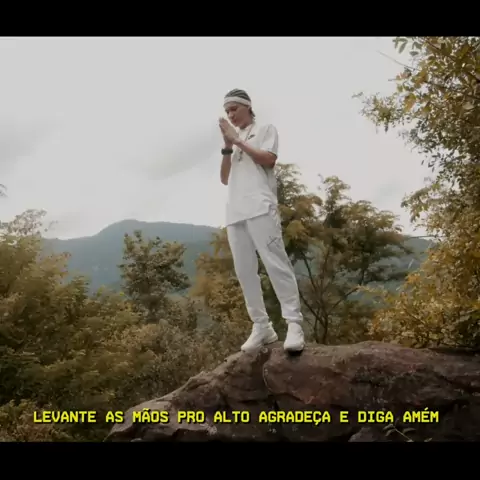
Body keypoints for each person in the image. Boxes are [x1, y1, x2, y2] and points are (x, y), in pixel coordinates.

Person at [218, 88, 305, 353]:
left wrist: (238, 141)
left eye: (234, 109)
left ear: (247, 106)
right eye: (227, 111)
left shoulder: (265, 129)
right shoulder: (233, 142)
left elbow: (268, 160)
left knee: (275, 264)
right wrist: (228, 145)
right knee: (245, 271)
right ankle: (262, 326)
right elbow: (224, 178)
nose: (231, 114)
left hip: (260, 207)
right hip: (236, 211)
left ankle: (294, 323)